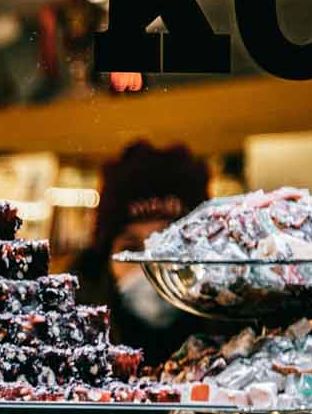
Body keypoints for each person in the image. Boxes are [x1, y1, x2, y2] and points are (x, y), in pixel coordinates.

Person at [71, 140, 213, 364]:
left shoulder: (248, 340)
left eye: (170, 246)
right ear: (105, 260)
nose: (149, 268)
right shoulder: (70, 352)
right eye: (131, 250)